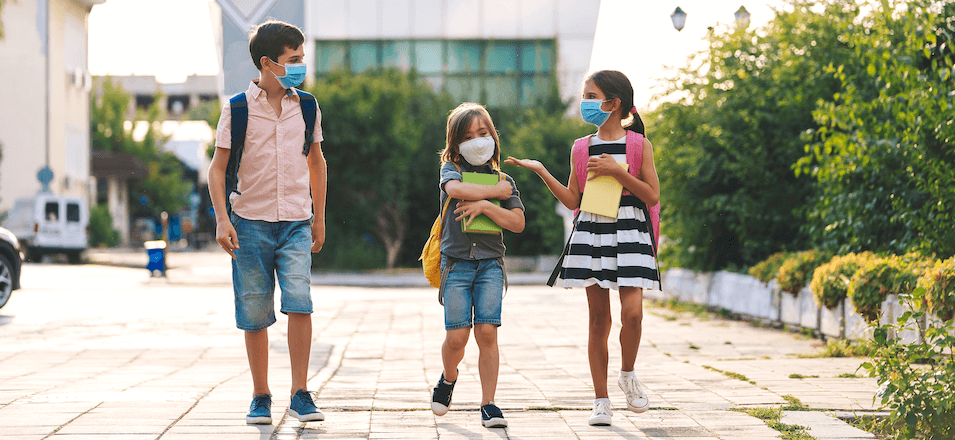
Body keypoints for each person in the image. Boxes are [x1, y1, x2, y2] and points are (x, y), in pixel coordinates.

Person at [504, 70, 660, 426]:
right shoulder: (581, 147)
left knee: (633, 313)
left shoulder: (638, 145)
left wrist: (617, 173)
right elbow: (574, 199)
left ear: (613, 103)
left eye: (591, 96)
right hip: (592, 230)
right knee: (598, 320)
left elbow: (652, 195)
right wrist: (542, 171)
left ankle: (627, 373)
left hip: (630, 231)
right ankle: (601, 399)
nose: (585, 102)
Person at [207, 20, 326, 425]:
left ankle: (300, 392)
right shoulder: (237, 108)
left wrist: (320, 218)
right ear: (267, 62)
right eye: (293, 59)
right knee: (254, 311)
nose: (300, 66)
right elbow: (217, 169)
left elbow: (317, 164)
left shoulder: (307, 106)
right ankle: (261, 395)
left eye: (301, 59)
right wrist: (223, 219)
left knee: (300, 303)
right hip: (249, 223)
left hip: (296, 221)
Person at [430, 103, 525, 428]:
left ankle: (488, 403)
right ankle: (448, 377)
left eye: (483, 134)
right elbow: (455, 191)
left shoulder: (504, 179)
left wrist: (486, 204)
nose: (478, 141)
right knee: (457, 337)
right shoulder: (451, 171)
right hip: (455, 265)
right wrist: (494, 192)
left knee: (487, 332)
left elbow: (517, 222)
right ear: (455, 144)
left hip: (490, 266)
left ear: (493, 137)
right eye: (468, 136)